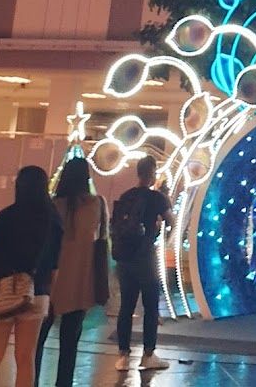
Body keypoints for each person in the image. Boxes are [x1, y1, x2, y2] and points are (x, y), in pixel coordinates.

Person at [0, 166, 61, 387]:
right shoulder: (54, 220)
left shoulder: (6, 216)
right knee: (25, 359)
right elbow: (54, 266)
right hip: (37, 292)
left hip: (3, 290)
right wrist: (50, 295)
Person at [34, 157, 105, 387]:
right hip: (81, 282)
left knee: (37, 339)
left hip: (50, 281)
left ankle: (30, 380)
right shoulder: (97, 205)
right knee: (70, 342)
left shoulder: (52, 206)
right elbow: (102, 242)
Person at [113, 155, 173, 371]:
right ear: (153, 173)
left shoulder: (126, 196)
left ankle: (123, 356)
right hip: (145, 259)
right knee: (150, 307)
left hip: (124, 260)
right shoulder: (156, 197)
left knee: (126, 307)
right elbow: (172, 221)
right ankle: (148, 355)